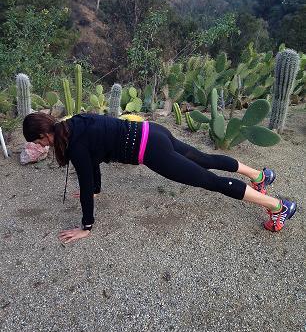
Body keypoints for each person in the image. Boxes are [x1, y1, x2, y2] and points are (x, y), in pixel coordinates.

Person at [22, 112, 297, 243]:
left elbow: (84, 176)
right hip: (152, 131)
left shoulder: (74, 145)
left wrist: (87, 226)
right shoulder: (72, 124)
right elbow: (94, 160)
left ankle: (277, 206)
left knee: (208, 179)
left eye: (37, 142)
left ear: (43, 135)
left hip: (150, 150)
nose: (40, 147)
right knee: (204, 159)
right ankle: (260, 175)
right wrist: (96, 190)